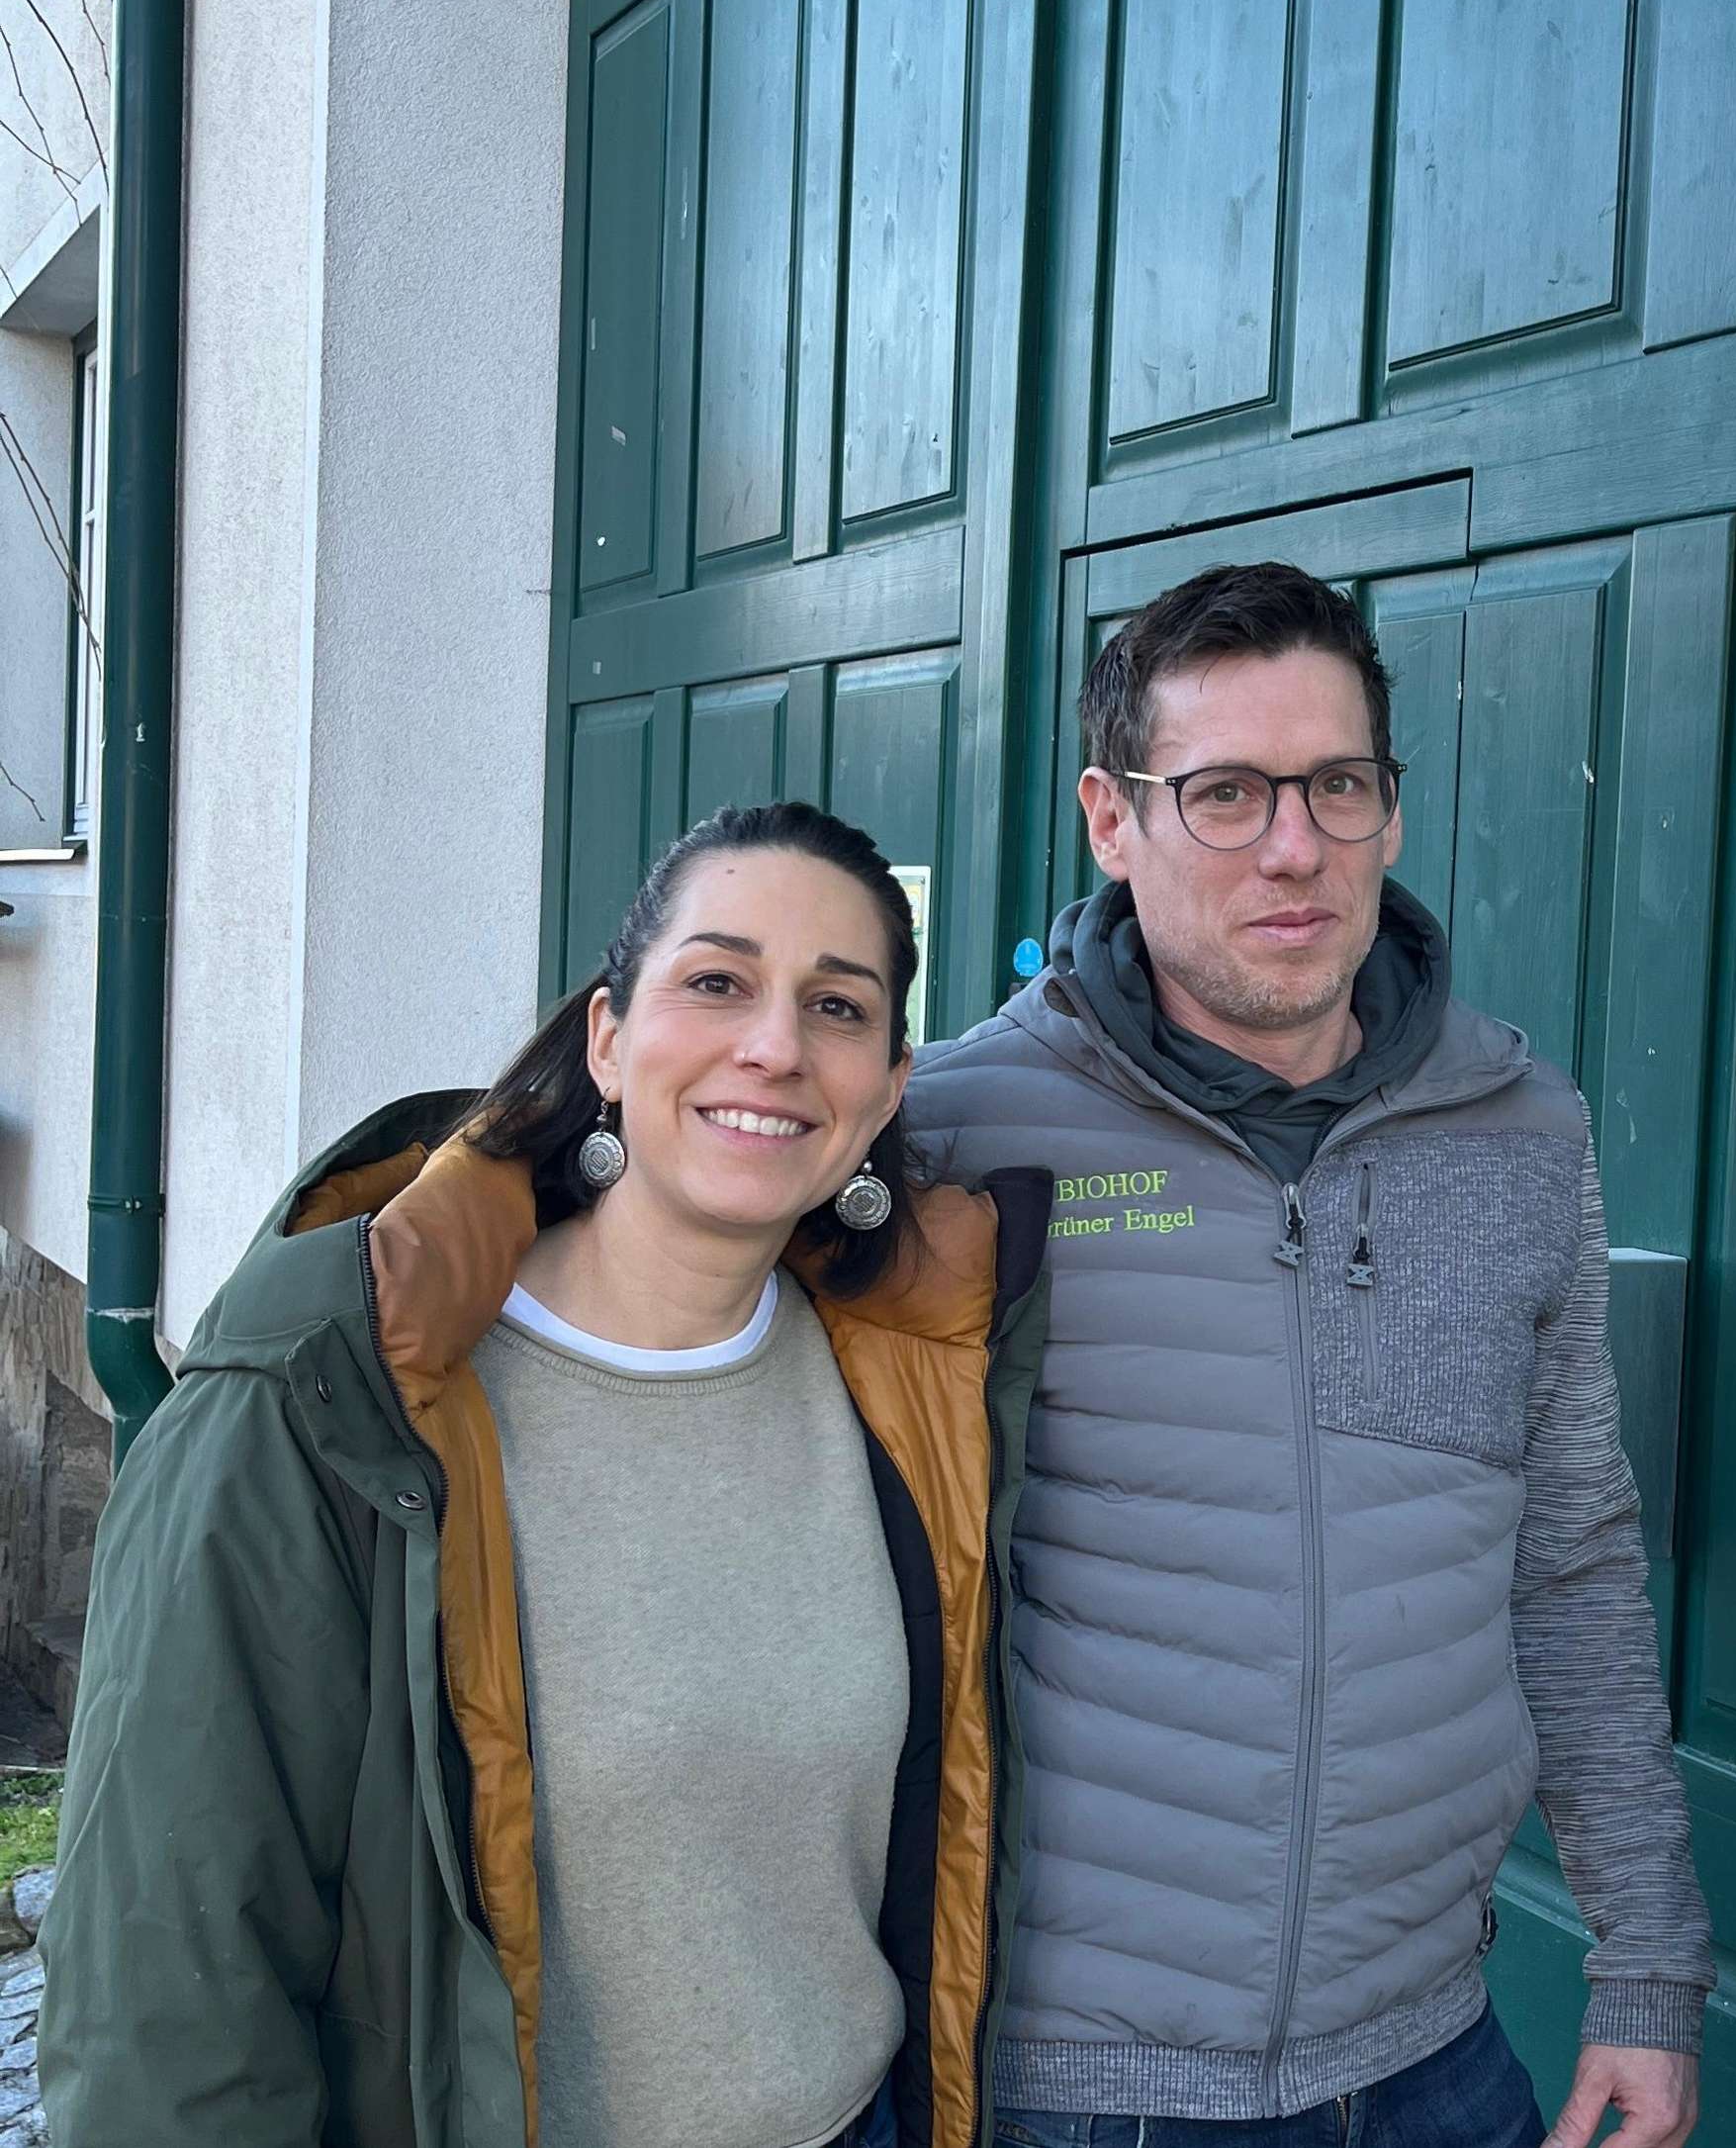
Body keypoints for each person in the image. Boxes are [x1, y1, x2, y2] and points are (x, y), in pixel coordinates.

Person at [41, 802, 1050, 2148]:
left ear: (887, 1088)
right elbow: (170, 1977)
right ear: (608, 1039)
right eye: (718, 982)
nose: (775, 1047)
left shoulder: (912, 1383)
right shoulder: (330, 1390)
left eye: (838, 1007)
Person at [906, 561, 1712, 2148]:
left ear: (1390, 810)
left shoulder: (1518, 1133)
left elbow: (1568, 1566)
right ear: (1110, 820)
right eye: (1224, 794)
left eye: (1338, 785)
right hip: (1075, 2091)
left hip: (1436, 2066)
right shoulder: (958, 1133)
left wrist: (1648, 1967)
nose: (1295, 847)